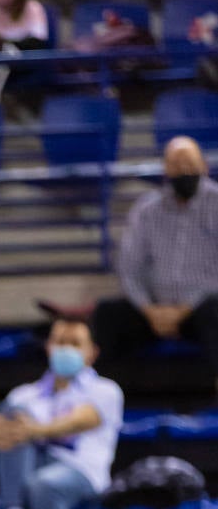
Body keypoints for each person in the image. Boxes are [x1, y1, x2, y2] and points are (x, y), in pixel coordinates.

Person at [0, 317, 123, 509]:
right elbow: (0, 426)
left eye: (74, 343)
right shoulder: (25, 394)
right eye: (60, 342)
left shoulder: (106, 390)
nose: (65, 349)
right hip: (29, 467)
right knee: (14, 410)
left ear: (92, 353)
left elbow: (81, 420)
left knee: (44, 485)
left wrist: (31, 430)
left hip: (81, 471)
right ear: (48, 347)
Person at [92, 137, 218, 385]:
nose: (183, 171)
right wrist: (150, 309)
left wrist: (185, 308)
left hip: (201, 309)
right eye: (176, 164)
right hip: (152, 311)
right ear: (165, 169)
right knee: (106, 314)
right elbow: (129, 268)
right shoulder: (146, 209)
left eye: (189, 164)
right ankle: (101, 400)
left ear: (204, 166)